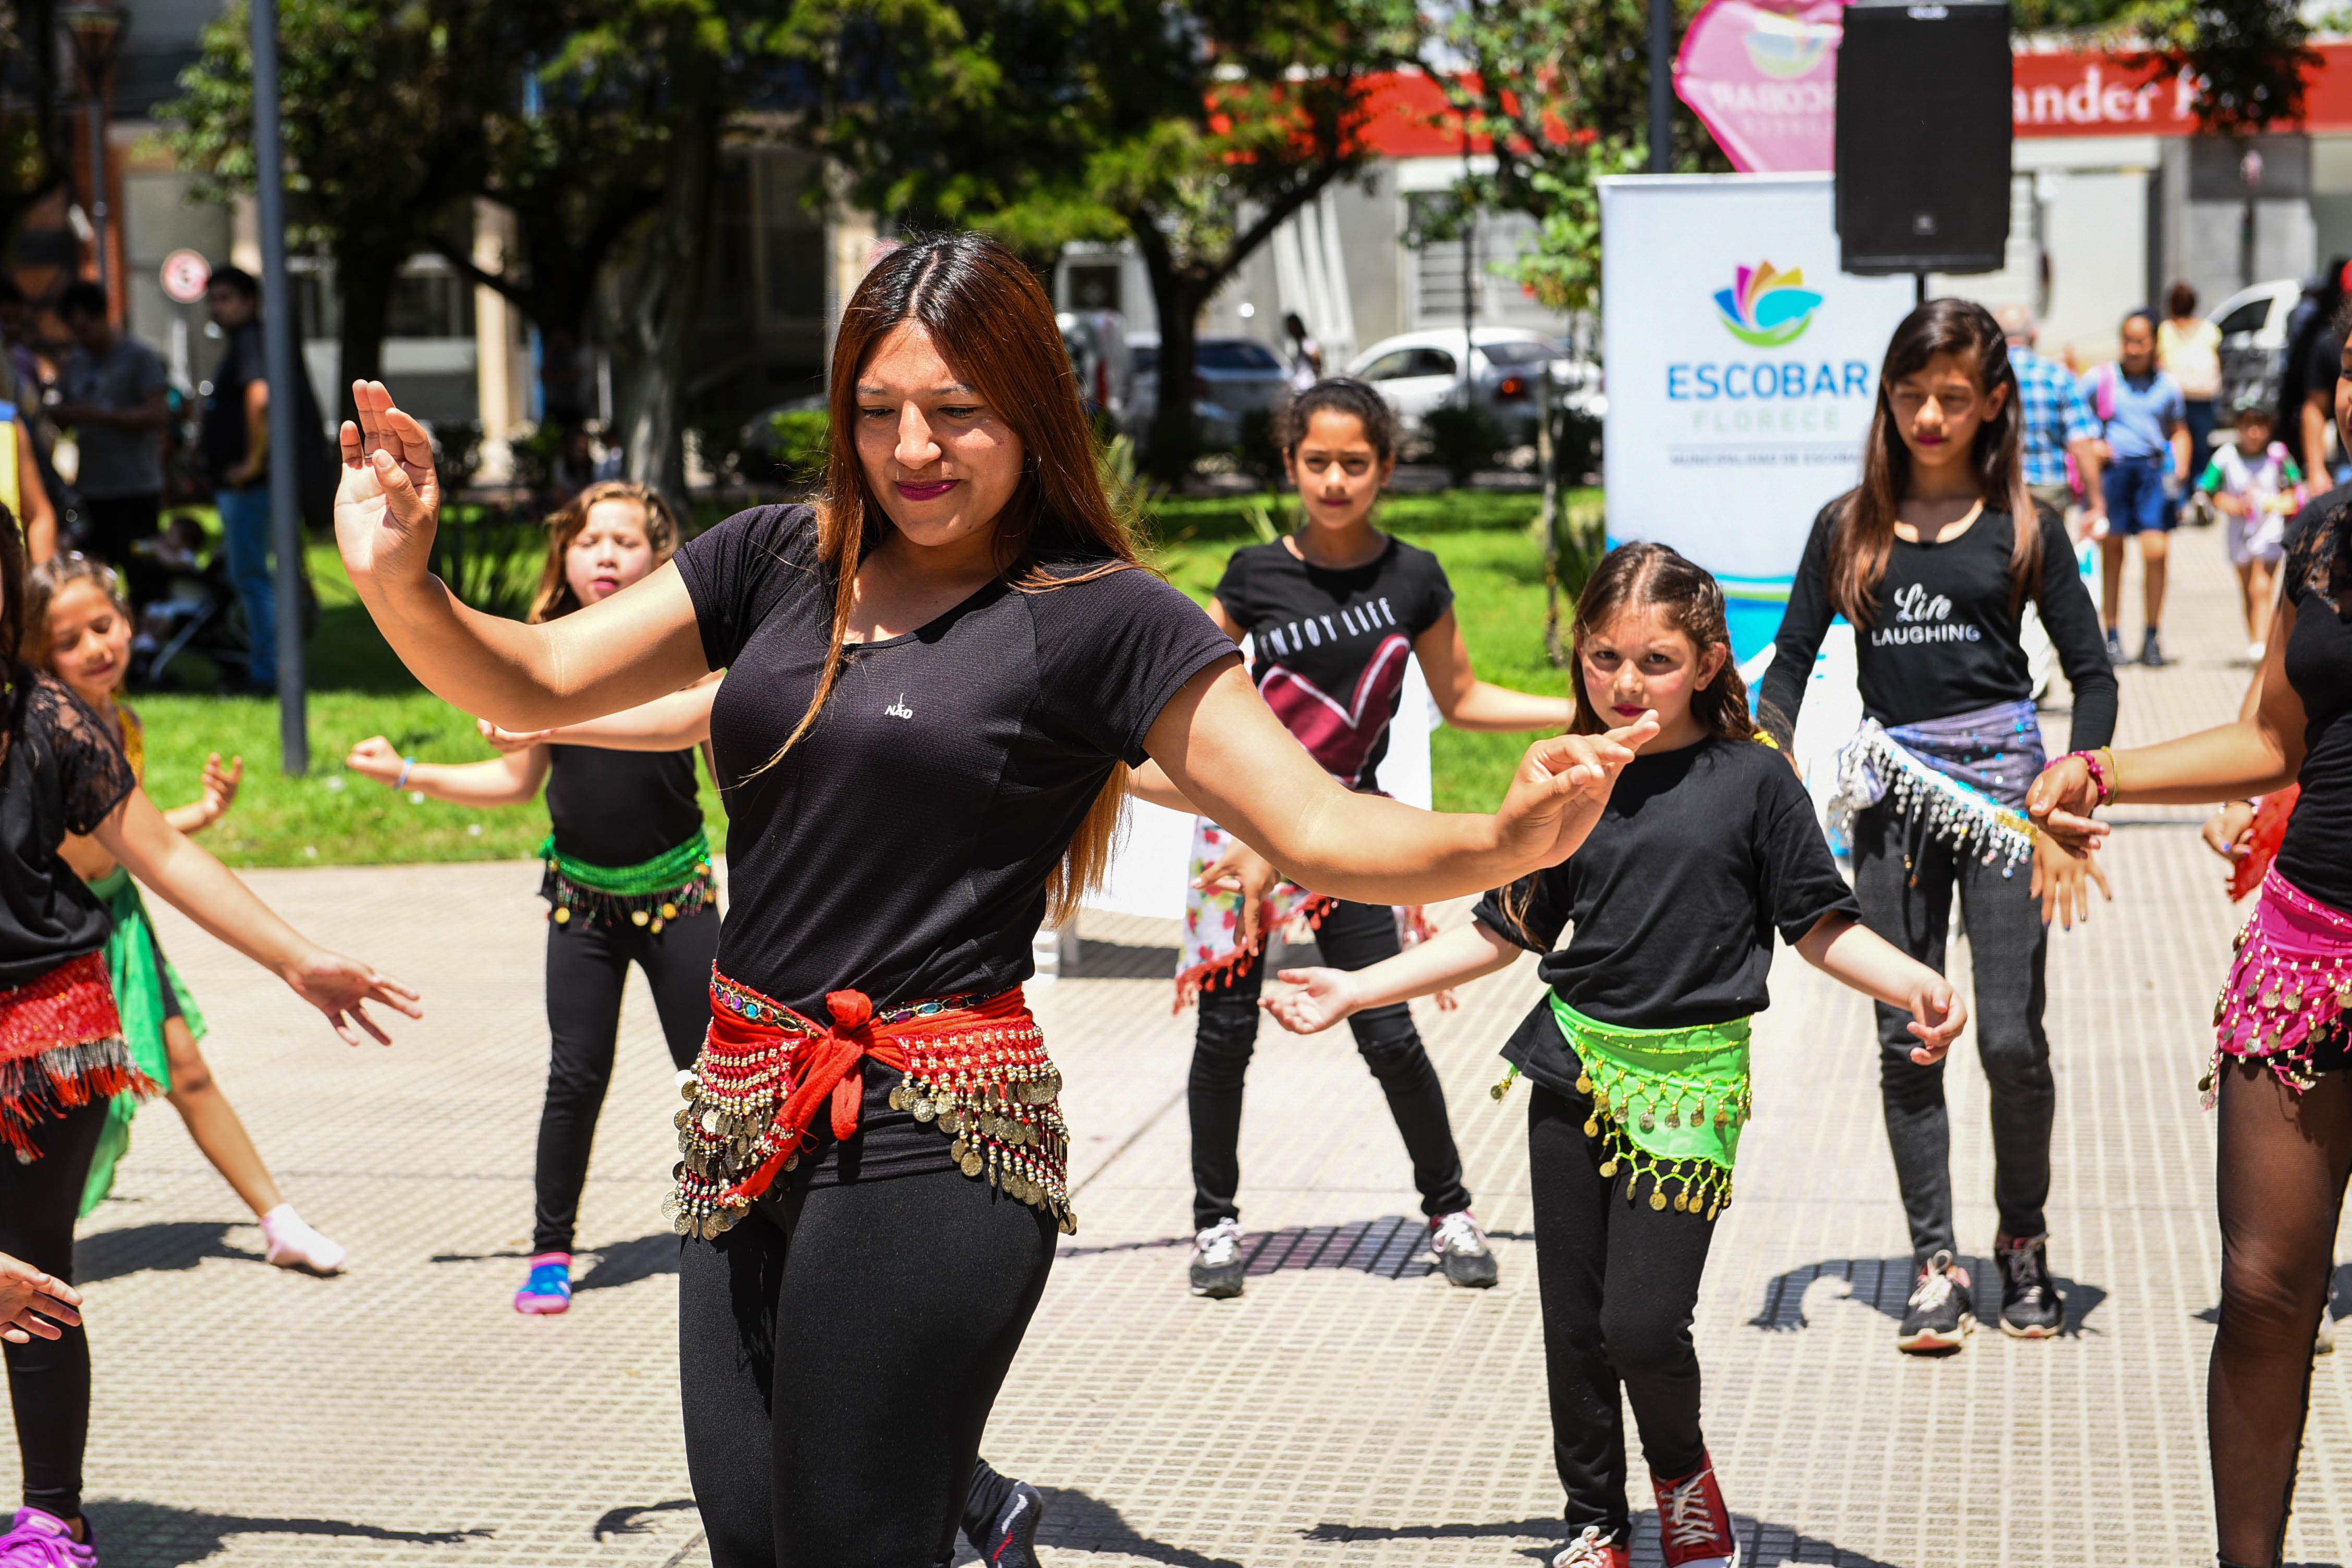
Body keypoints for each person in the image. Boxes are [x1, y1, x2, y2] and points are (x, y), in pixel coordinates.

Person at [329, 230, 1653, 1567]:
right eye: (878, 410)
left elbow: (1312, 818)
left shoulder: (1104, 615)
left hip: (934, 1130)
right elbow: (532, 681)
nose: (914, 447)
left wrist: (1499, 836)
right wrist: (400, 573)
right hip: (741, 1120)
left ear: (1031, 410)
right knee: (752, 1536)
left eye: (957, 411)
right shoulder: (774, 559)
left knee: (848, 1539)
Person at [1262, 542, 1965, 1568]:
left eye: (1656, 661)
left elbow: (1818, 924)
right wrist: (1356, 987)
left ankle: (1682, 1482)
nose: (1626, 684)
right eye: (1602, 658)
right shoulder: (1566, 778)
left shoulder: (1756, 781)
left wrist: (1914, 982)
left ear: (1712, 662)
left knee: (1641, 1322)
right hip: (1573, 1069)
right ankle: (1596, 1521)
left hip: (1693, 1084)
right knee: (1575, 1327)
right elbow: (1504, 929)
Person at [0, 510, 415, 1565]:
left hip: (42, 1031)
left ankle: (54, 1519)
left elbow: (164, 857)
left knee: (33, 1277)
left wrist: (294, 957)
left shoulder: (49, 720)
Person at [2027, 303, 2352, 1567]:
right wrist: (2100, 769)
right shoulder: (2325, 535)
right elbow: (2269, 735)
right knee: (2267, 1288)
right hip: (2308, 943)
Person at [1128, 377, 1570, 1298]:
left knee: (1387, 1029)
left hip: (1349, 835)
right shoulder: (1251, 574)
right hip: (1239, 833)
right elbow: (1192, 714)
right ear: (1291, 464)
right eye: (1316, 461)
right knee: (1222, 1036)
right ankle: (1214, 1224)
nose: (1334, 479)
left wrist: (1581, 707)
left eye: (1354, 462)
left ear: (1386, 468)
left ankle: (1448, 1209)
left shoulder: (1413, 577)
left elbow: (1463, 699)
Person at [1757, 299, 2118, 1355]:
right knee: (1907, 1040)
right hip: (1893, 811)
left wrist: (2074, 781)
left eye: (1952, 397)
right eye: (1910, 394)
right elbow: (1786, 664)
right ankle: (1936, 1263)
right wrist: (1764, 751)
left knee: (2010, 1041)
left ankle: (2022, 1239)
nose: (1928, 415)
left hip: (2013, 813)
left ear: (1992, 402)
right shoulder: (1847, 526)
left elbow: (2091, 675)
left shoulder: (2028, 525)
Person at [345, 481, 725, 1315]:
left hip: (680, 899)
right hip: (581, 905)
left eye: (627, 542)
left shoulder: (680, 652)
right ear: (566, 554)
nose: (606, 555)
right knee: (574, 1075)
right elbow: (516, 782)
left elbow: (701, 726)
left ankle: (743, 1228)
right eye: (591, 541)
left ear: (663, 560)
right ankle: (551, 1249)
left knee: (714, 1076)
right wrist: (410, 773)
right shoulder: (544, 652)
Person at [24, 553, 351, 1273]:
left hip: (123, 922)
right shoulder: (46, 731)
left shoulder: (123, 720)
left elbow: (135, 837)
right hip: (64, 932)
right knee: (44, 1105)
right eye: (68, 642)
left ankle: (279, 1221)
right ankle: (30, 1247)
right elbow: (87, 846)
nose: (96, 649)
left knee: (186, 1070)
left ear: (128, 622)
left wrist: (198, 815)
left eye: (103, 627)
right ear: (39, 655)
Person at [200, 264, 321, 695]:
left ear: (251, 301)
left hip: (250, 486)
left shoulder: (251, 338)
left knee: (252, 578)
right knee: (253, 576)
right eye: (212, 299)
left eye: (226, 298)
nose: (217, 308)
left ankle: (268, 673)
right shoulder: (247, 340)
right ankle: (268, 666)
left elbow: (260, 398)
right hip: (248, 484)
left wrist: (252, 462)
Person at [2083, 309, 2190, 666]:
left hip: (2152, 472)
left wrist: (2183, 465)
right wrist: (2092, 445)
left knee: (2156, 551)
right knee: (2112, 554)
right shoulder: (2102, 380)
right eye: (2127, 340)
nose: (2133, 348)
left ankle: (2151, 635)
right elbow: (2075, 417)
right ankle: (2111, 636)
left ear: (2153, 344)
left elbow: (2179, 429)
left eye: (2141, 341)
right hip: (2114, 472)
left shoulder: (2168, 386)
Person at [52, 282, 170, 605]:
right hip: (93, 487)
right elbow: (61, 410)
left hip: (135, 486)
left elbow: (158, 413)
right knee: (93, 572)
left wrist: (99, 416)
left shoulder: (138, 358)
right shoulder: (76, 362)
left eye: (85, 329)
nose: (81, 338)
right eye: (74, 331)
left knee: (142, 571)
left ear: (103, 317)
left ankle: (148, 641)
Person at [2197, 399, 2305, 664]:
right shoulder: (2225, 456)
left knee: (2262, 585)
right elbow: (2207, 492)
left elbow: (2295, 489)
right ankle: (2258, 640)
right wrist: (2231, 504)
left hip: (2271, 529)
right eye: (2248, 426)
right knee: (2247, 589)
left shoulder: (2278, 455)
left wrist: (2281, 502)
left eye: (2260, 426)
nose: (2254, 433)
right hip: (2239, 532)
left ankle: (2265, 647)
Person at [1994, 303, 2103, 533]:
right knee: (2047, 559)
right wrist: (2095, 503)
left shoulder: (1987, 379)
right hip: (2049, 488)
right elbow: (2081, 444)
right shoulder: (2059, 377)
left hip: (1999, 485)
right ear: (2033, 335)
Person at [2160, 280, 2223, 485]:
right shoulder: (2209, 329)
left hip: (2174, 398)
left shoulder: (2165, 330)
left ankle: (2178, 492)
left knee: (2175, 449)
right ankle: (2199, 493)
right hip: (2204, 398)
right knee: (2201, 451)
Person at [1282, 311, 1322, 394]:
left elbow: (1316, 360)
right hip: (1299, 387)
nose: (1290, 329)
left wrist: (1318, 380)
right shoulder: (1297, 345)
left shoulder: (1306, 343)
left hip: (1308, 387)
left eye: (1292, 326)